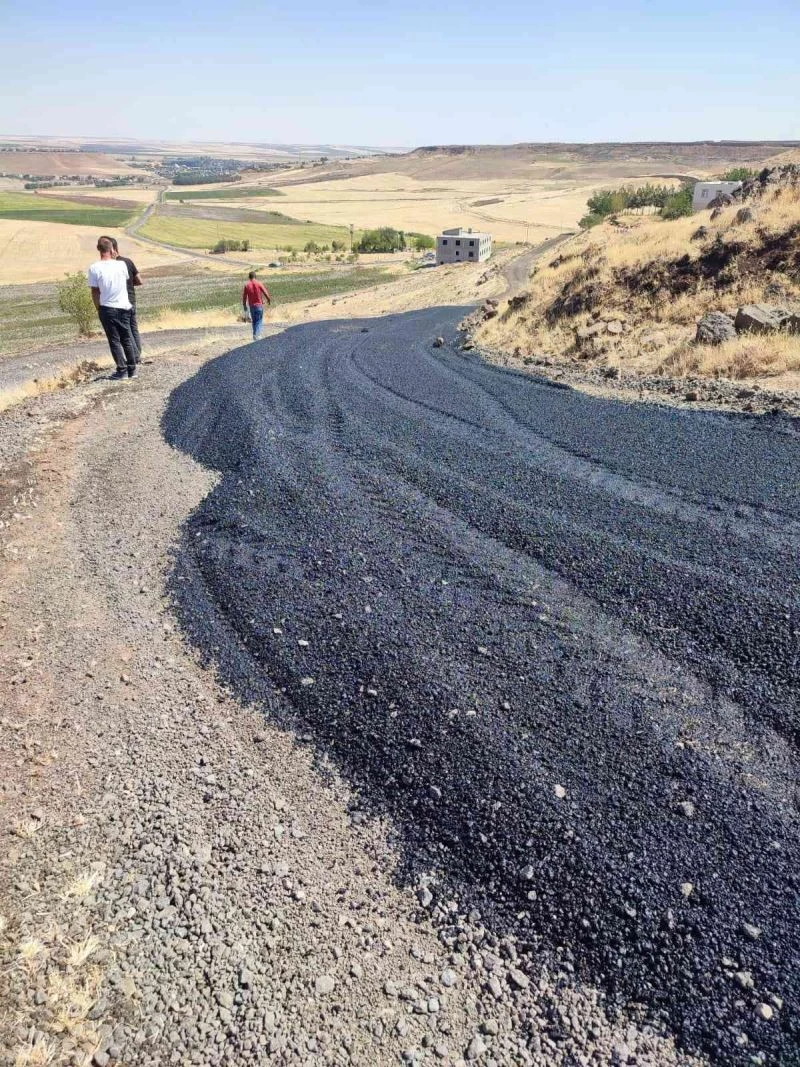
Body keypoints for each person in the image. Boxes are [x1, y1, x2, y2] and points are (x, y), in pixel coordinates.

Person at [88, 237, 139, 379]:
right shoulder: (122, 265)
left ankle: (121, 370)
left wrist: (98, 308)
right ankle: (132, 370)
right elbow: (126, 279)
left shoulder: (94, 268)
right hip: (124, 305)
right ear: (112, 249)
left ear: (98, 249)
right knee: (126, 338)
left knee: (114, 340)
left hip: (107, 308)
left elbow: (95, 291)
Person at [103, 236, 143, 362]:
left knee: (125, 331)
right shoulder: (128, 261)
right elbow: (140, 281)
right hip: (132, 299)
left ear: (111, 249)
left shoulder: (113, 265)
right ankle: (138, 354)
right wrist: (130, 284)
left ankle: (135, 357)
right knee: (133, 328)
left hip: (120, 301)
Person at [242, 271, 272, 340]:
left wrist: (244, 305)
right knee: (259, 320)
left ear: (249, 277)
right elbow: (265, 292)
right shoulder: (259, 283)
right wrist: (268, 300)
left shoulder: (247, 285)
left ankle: (254, 335)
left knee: (254, 321)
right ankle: (257, 335)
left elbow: (244, 297)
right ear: (255, 276)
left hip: (251, 306)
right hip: (259, 305)